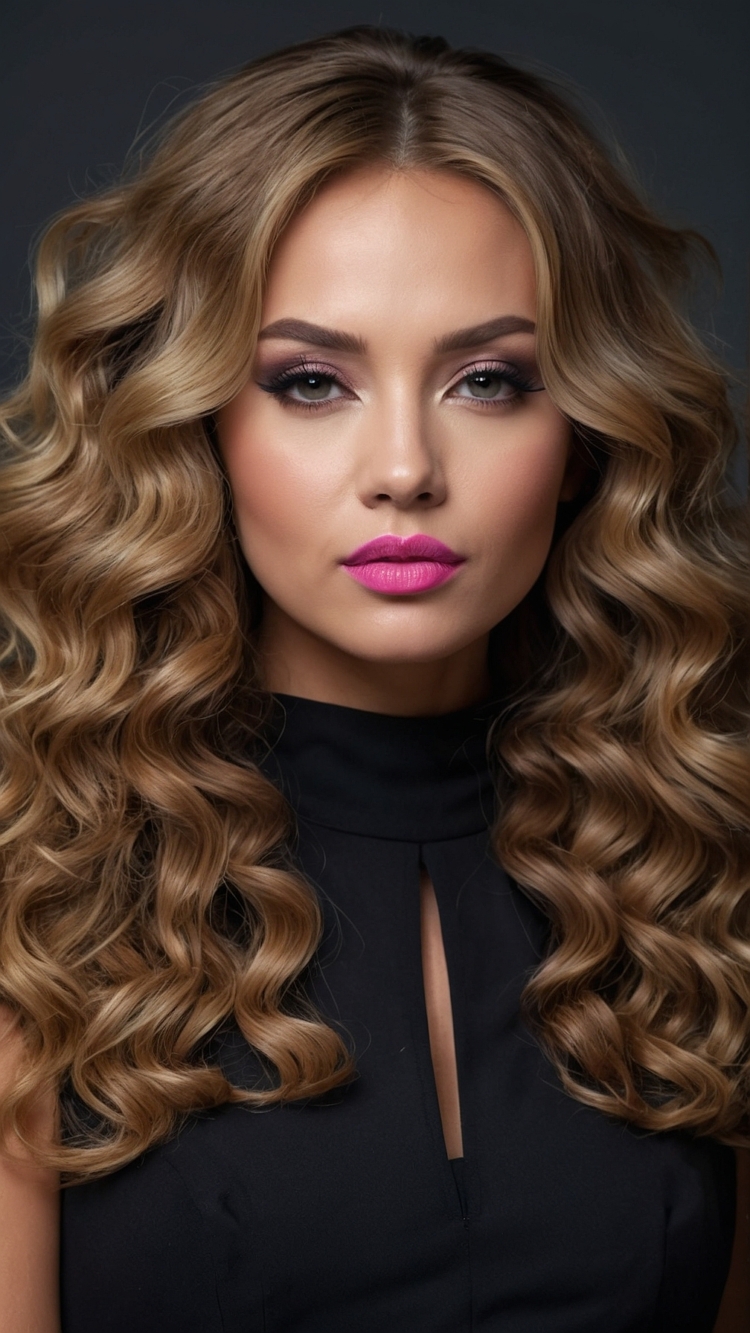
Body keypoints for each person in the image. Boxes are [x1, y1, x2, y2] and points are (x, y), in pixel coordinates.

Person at [0, 23, 748, 1333]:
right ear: (197, 425)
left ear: (581, 430)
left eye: (484, 379)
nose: (403, 465)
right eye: (309, 381)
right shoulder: (41, 895)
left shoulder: (695, 870)